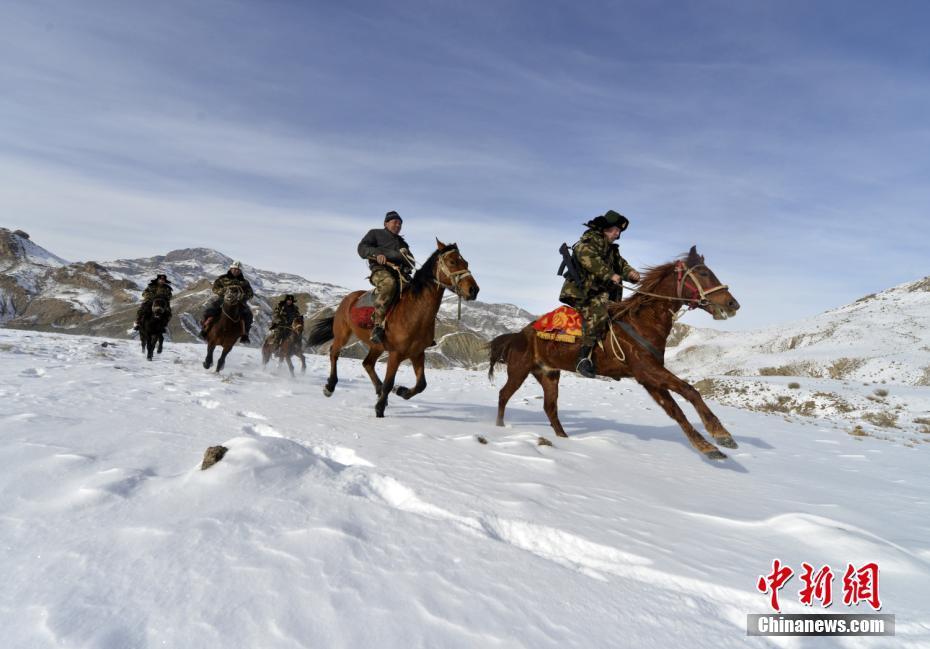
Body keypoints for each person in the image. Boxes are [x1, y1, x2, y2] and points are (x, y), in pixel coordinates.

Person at [559, 210, 641, 378]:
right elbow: (588, 259)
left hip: (599, 293)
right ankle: (583, 359)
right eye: (614, 230)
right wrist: (609, 274)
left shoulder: (612, 250)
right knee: (599, 311)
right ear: (604, 228)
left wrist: (631, 273)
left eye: (619, 231)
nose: (617, 234)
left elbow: (621, 265)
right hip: (582, 292)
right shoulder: (588, 241)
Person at [357, 210, 416, 344]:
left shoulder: (402, 243)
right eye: (395, 222)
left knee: (420, 291)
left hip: (400, 274)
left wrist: (406, 260)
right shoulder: (375, 233)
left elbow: (412, 262)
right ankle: (377, 325)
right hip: (380, 271)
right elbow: (362, 248)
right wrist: (377, 254)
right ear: (386, 223)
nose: (398, 225)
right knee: (389, 284)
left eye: (400, 223)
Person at [200, 260, 255, 342]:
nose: (236, 271)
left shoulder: (245, 282)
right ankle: (204, 330)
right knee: (209, 311)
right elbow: (215, 288)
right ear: (231, 269)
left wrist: (243, 296)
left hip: (239, 302)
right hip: (223, 299)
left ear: (240, 271)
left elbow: (250, 293)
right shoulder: (222, 278)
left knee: (249, 315)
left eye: (238, 270)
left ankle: (245, 335)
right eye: (234, 269)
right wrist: (224, 291)